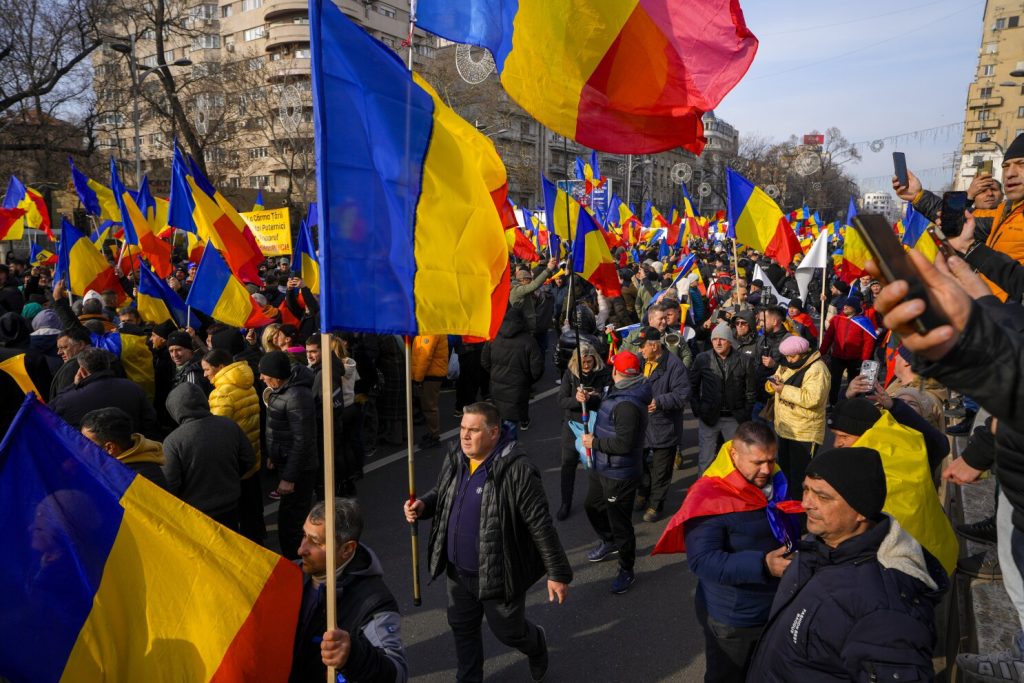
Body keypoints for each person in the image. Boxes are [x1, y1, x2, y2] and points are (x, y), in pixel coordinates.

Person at [403, 402, 571, 683]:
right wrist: (424, 505)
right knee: (462, 628)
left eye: (473, 430)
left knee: (508, 631)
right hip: (457, 571)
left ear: (494, 433)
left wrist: (557, 573)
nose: (464, 436)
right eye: (462, 429)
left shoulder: (517, 470)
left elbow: (540, 524)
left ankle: (536, 643)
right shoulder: (457, 455)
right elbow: (443, 491)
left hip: (497, 572)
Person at [748, 447, 945, 680]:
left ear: (861, 511)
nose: (806, 503)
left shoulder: (884, 609)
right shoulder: (820, 544)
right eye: (806, 490)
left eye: (822, 497)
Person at [682, 423, 795, 682]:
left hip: (773, 607)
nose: (767, 469)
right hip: (734, 619)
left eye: (771, 460)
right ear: (734, 455)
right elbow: (702, 560)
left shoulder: (775, 477)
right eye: (758, 462)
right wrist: (764, 564)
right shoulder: (707, 495)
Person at [291, 499, 407, 683]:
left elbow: (397, 674)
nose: (301, 549)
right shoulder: (288, 576)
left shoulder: (374, 603)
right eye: (304, 535)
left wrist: (353, 655)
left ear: (347, 549)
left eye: (315, 541)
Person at [580, 352, 652, 593]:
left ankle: (626, 568)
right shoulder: (621, 390)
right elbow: (606, 402)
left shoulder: (628, 406)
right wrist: (590, 398)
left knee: (620, 523)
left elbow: (625, 444)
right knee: (592, 505)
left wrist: (594, 443)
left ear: (616, 372)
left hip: (619, 473)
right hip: (603, 466)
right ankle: (608, 540)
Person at [161, 383, 255, 529]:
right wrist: (228, 478)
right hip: (231, 505)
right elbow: (249, 460)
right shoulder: (229, 425)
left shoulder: (173, 441)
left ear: (175, 409)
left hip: (196, 513)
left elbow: (170, 483)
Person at [202, 348, 265, 541]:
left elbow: (217, 432)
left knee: (240, 511)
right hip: (252, 453)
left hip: (234, 461)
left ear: (220, 367)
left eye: (207, 369)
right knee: (253, 505)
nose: (205, 375)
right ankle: (258, 536)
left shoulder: (221, 394)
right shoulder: (247, 383)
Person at [261, 350, 317, 560]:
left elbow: (302, 441)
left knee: (291, 521)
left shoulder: (296, 397)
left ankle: (297, 564)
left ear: (275, 375)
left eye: (264, 373)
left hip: (299, 470)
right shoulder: (284, 390)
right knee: (289, 517)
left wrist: (289, 478)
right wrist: (273, 454)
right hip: (287, 462)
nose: (261, 378)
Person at [632, 326, 690, 522]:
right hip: (642, 424)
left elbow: (682, 396)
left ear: (654, 346)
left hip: (664, 425)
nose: (640, 351)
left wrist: (659, 402)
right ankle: (643, 492)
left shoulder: (675, 366)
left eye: (642, 347)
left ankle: (655, 505)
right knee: (638, 464)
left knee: (661, 470)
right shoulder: (640, 362)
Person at [765, 335, 829, 499]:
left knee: (800, 477)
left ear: (803, 353)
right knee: (785, 473)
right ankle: (786, 507)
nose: (789, 359)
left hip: (805, 433)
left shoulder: (817, 369)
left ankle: (801, 515)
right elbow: (775, 381)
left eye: (792, 356)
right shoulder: (786, 364)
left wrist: (783, 390)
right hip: (785, 428)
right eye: (786, 356)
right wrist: (771, 385)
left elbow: (813, 399)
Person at [690, 322, 757, 476]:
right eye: (715, 339)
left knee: (735, 461)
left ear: (730, 341)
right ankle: (703, 494)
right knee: (705, 459)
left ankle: (733, 493)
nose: (718, 343)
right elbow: (692, 386)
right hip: (708, 417)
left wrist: (745, 413)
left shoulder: (745, 360)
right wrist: (698, 409)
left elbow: (751, 391)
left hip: (734, 418)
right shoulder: (702, 359)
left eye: (722, 339)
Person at [556, 341, 611, 520]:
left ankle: (602, 500)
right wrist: (577, 399)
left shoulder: (603, 373)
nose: (587, 366)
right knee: (568, 464)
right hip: (572, 426)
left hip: (595, 426)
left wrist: (593, 397)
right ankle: (565, 502)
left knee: (596, 464)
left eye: (590, 362)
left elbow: (608, 398)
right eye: (583, 363)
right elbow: (562, 401)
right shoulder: (570, 375)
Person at [49, 347, 158, 436]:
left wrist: (74, 386)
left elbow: (50, 412)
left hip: (92, 457)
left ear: (81, 370)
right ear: (107, 365)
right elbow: (150, 421)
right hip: (131, 449)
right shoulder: (133, 387)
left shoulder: (68, 399)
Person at [482, 307, 544, 432]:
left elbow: (484, 361)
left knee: (498, 422)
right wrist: (527, 380)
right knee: (510, 425)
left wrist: (494, 374)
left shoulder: (493, 338)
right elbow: (537, 368)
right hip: (518, 388)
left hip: (496, 386)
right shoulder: (529, 341)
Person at [80, 407, 168, 489]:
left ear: (110, 448)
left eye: (86, 444)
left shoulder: (141, 481)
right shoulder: (114, 467)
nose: (82, 449)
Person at [819, 297, 876, 408]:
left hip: (855, 358)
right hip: (837, 356)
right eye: (844, 305)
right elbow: (828, 338)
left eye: (848, 306)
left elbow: (869, 343)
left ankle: (852, 405)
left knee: (854, 382)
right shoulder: (837, 319)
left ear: (855, 308)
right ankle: (833, 403)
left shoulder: (864, 322)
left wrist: (864, 359)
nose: (844, 307)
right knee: (834, 381)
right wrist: (821, 353)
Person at [411, 334, 448, 449]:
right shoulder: (427, 330)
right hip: (429, 374)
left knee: (429, 407)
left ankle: (434, 436)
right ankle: (432, 433)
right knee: (428, 406)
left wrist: (417, 378)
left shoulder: (431, 331)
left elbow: (425, 357)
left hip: (430, 375)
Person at [509, 257, 558, 333]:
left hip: (524, 326)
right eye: (529, 280)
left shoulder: (520, 290)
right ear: (523, 280)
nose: (530, 282)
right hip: (524, 328)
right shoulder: (518, 290)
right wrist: (548, 269)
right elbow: (535, 285)